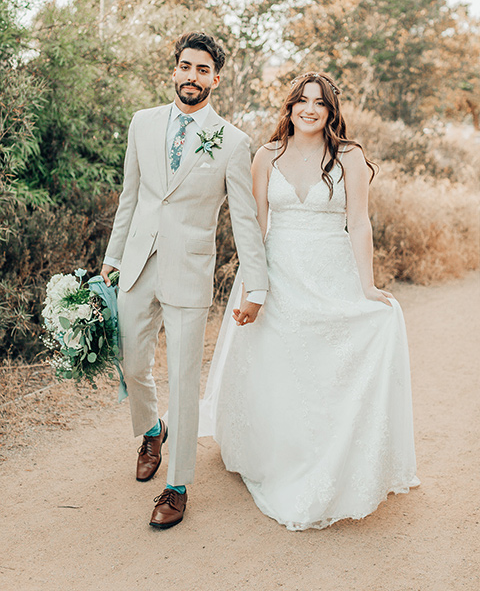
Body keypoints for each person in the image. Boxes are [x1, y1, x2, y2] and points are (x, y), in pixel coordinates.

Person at [201, 71, 419, 531]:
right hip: (280, 274)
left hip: (332, 270)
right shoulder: (266, 156)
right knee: (279, 363)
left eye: (319, 102)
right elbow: (255, 229)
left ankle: (336, 454)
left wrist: (368, 286)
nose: (310, 109)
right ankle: (281, 451)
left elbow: (359, 224)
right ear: (290, 106)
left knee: (366, 330)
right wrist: (251, 288)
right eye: (302, 100)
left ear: (330, 110)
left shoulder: (349, 157)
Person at [101, 32, 268, 529]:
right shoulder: (142, 123)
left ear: (215, 79)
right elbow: (130, 196)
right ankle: (153, 428)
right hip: (136, 262)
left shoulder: (234, 143)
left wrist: (254, 285)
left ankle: (177, 486)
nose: (192, 76)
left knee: (183, 377)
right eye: (185, 66)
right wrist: (111, 259)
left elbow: (244, 221)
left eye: (202, 70)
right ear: (174, 70)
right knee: (131, 360)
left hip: (190, 270)